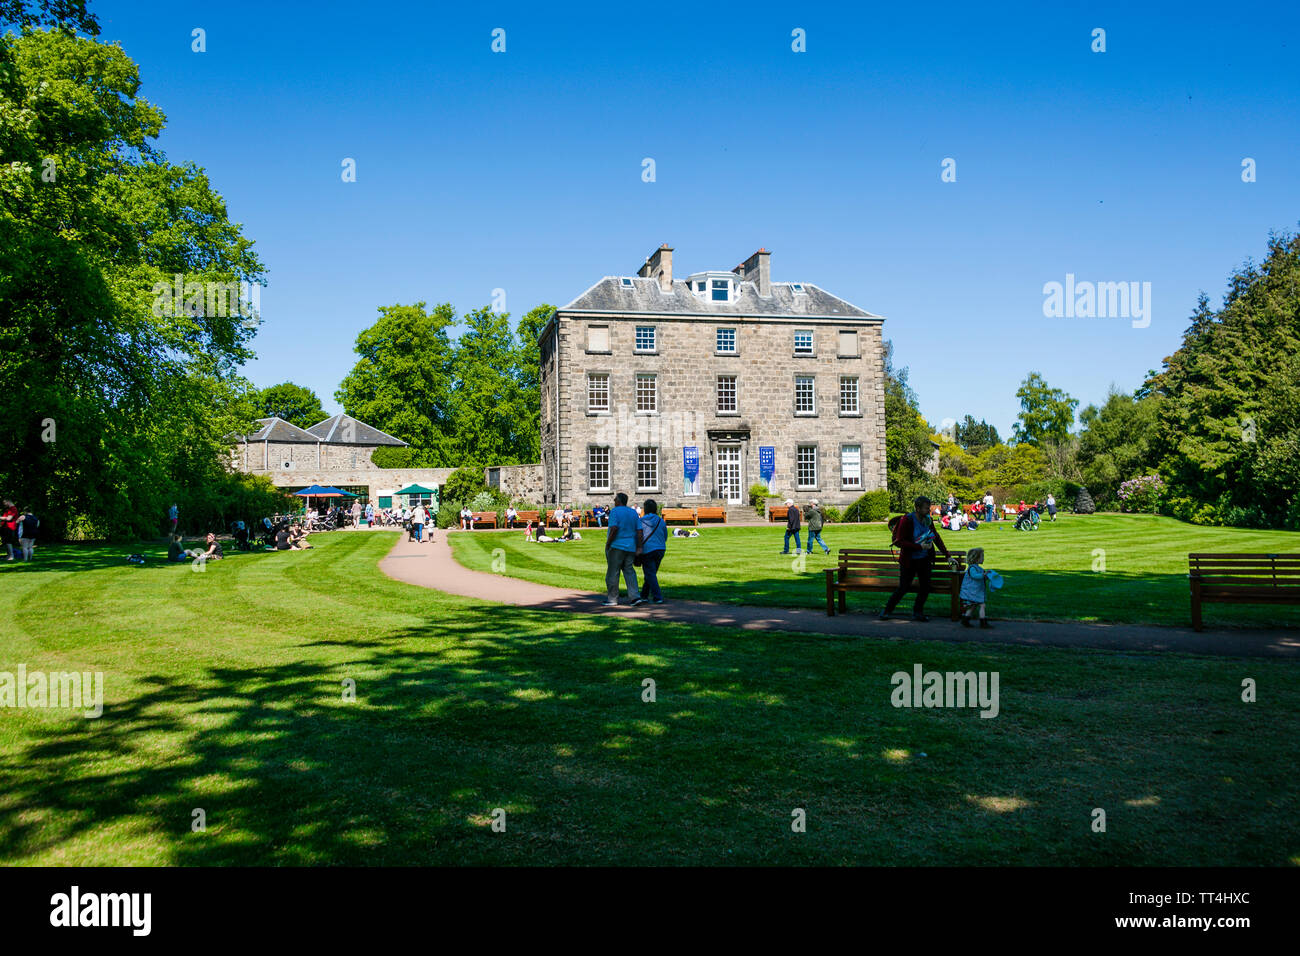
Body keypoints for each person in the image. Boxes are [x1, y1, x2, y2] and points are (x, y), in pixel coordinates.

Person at [879, 496, 954, 622]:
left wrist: (948, 555)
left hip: (924, 559)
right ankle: (887, 610)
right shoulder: (907, 520)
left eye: (929, 508)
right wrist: (919, 546)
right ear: (917, 508)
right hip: (909, 560)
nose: (928, 511)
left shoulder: (928, 519)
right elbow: (900, 542)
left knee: (925, 586)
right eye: (926, 508)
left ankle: (918, 612)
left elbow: (935, 537)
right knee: (904, 587)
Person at [604, 493, 643, 607]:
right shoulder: (633, 512)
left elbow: (614, 528)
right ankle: (635, 597)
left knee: (612, 572)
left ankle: (612, 599)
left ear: (619, 501)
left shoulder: (615, 512)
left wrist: (608, 543)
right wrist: (639, 546)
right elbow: (639, 531)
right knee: (629, 571)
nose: (614, 500)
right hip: (631, 546)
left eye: (615, 498)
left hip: (617, 545)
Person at [959, 546, 1001, 628]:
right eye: (982, 557)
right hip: (972, 591)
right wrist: (983, 574)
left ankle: (965, 620)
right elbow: (975, 576)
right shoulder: (972, 568)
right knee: (982, 605)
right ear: (976, 558)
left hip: (975, 591)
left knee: (973, 605)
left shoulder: (979, 568)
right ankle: (983, 622)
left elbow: (981, 578)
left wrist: (988, 576)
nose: (983, 559)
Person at [639, 499, 668, 604]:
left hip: (648, 549)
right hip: (660, 549)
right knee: (651, 573)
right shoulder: (661, 521)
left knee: (650, 573)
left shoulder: (641, 521)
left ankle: (657, 596)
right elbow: (665, 536)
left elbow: (639, 536)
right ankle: (644, 595)